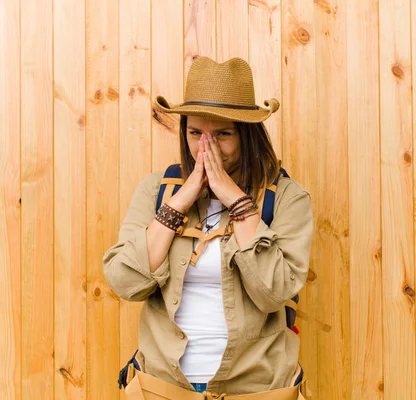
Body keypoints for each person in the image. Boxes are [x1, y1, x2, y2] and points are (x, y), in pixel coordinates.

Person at [103, 56, 313, 399]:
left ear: (248, 135)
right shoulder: (158, 191)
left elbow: (274, 292)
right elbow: (125, 282)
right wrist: (179, 203)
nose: (207, 147)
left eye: (222, 135)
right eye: (195, 133)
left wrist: (236, 200)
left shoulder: (288, 197)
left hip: (257, 388)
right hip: (163, 387)